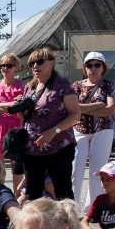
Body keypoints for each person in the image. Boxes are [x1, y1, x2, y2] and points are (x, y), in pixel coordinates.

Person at [13, 48, 81, 201]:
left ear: (51, 63)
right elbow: (25, 119)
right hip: (32, 148)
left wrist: (54, 131)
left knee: (62, 191)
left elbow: (75, 113)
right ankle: (34, 224)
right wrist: (19, 109)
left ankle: (68, 224)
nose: (35, 65)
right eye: (32, 63)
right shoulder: (29, 87)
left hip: (59, 146)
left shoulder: (62, 84)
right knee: (31, 193)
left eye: (40, 61)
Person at [72, 52, 115, 211]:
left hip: (102, 130)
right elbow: (73, 108)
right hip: (79, 130)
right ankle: (73, 207)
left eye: (97, 65)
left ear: (102, 68)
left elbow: (111, 109)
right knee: (75, 170)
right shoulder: (77, 86)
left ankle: (93, 207)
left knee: (97, 171)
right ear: (85, 68)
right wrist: (98, 105)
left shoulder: (108, 86)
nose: (93, 68)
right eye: (89, 65)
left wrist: (84, 110)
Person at [0, 52, 25, 192]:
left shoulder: (22, 86)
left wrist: (2, 106)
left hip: (15, 129)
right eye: (2, 66)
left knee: (17, 167)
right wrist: (11, 105)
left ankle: (17, 196)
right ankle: (0, 194)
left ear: (16, 68)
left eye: (9, 65)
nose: (5, 68)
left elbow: (22, 107)